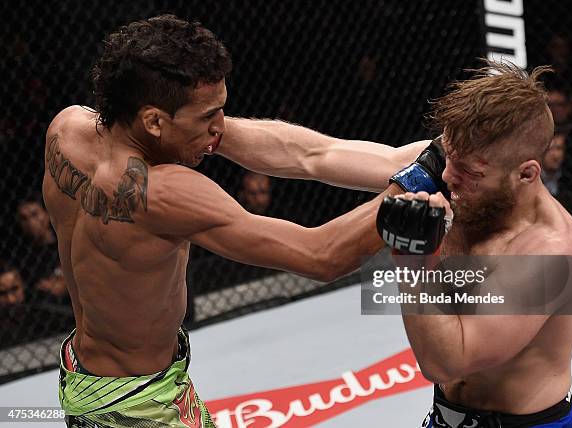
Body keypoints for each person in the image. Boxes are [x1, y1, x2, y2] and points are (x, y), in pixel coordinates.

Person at [44, 15, 441, 427]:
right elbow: (320, 255)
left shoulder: (68, 129)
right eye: (208, 116)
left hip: (88, 374)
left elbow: (309, 154)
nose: (220, 128)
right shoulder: (166, 193)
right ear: (155, 121)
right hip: (140, 405)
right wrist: (414, 182)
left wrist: (429, 156)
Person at [376, 62, 572, 427]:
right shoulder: (463, 183)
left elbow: (445, 362)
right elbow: (316, 155)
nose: (445, 176)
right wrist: (236, 132)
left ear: (526, 173)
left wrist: (414, 261)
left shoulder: (550, 251)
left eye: (470, 171)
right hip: (446, 416)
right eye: (449, 156)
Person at [15, 194, 68, 300]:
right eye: (24, 218)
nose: (30, 222)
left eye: (34, 214)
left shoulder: (66, 244)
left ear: (47, 215)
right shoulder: (22, 257)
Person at [541, 132, 567, 197]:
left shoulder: (570, 177)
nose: (555, 155)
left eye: (559, 148)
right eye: (549, 149)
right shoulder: (532, 179)